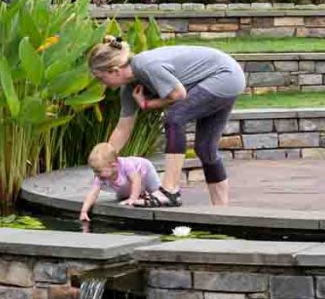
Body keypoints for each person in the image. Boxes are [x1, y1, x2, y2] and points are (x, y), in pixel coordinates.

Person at [89, 38, 246, 208]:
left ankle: (169, 190)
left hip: (224, 76)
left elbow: (178, 95)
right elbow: (122, 128)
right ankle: (221, 210)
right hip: (223, 79)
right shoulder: (129, 88)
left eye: (101, 78)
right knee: (205, 149)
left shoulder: (145, 65)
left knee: (174, 118)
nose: (101, 84)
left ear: (115, 70)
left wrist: (148, 104)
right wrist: (106, 161)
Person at [76, 141, 163, 222]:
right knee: (122, 197)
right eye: (94, 171)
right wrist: (84, 211)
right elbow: (93, 194)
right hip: (127, 182)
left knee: (155, 190)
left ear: (113, 165)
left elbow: (136, 180)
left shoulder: (127, 165)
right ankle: (141, 193)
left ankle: (160, 193)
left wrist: (133, 198)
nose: (96, 174)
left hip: (144, 169)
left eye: (98, 171)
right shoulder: (100, 177)